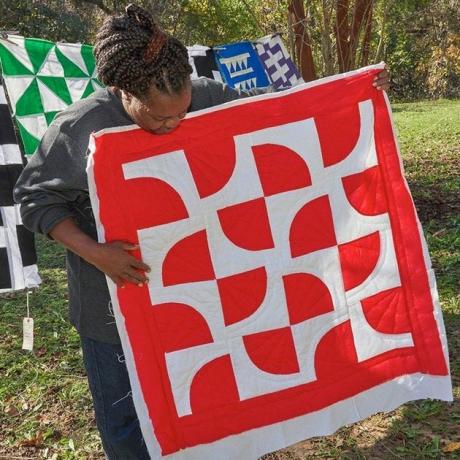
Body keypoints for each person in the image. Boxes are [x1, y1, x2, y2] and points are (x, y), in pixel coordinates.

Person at [14, 4, 391, 459]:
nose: (173, 124)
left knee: (200, 403)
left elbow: (278, 116)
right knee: (126, 421)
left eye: (181, 113)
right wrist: (96, 253)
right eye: (157, 118)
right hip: (112, 306)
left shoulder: (209, 97)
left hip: (199, 299)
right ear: (124, 92)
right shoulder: (80, 127)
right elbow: (34, 199)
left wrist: (354, 94)